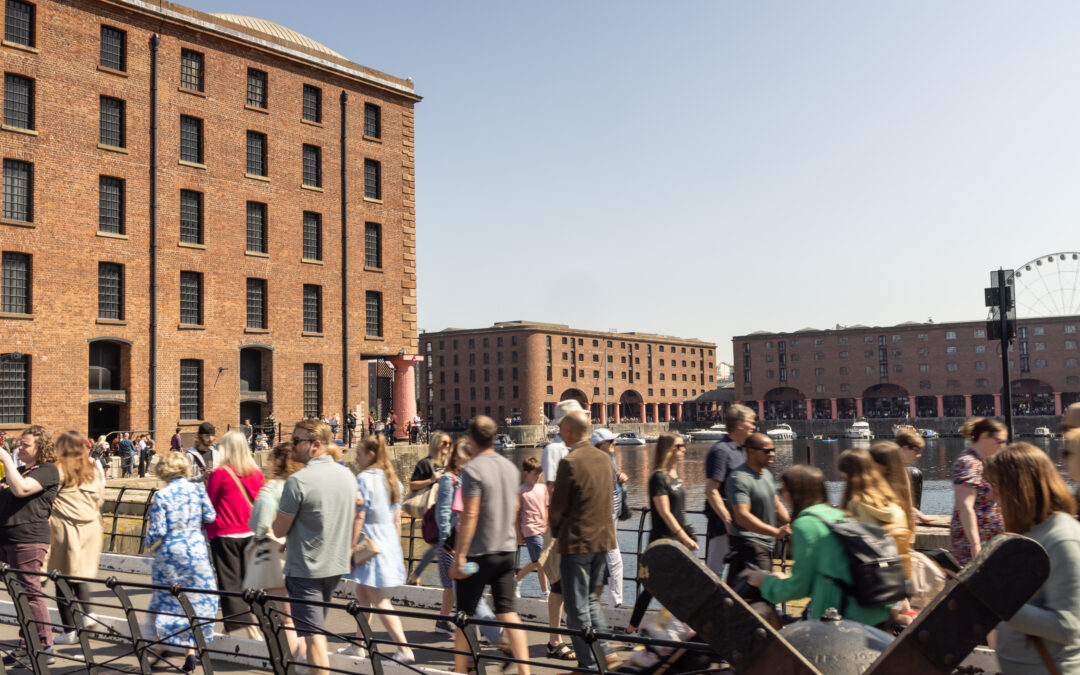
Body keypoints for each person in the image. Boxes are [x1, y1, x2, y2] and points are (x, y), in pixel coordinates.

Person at [748, 465, 892, 628]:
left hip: (841, 619)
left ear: (795, 493)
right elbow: (833, 571)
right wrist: (788, 578)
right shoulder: (836, 514)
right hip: (873, 611)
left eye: (782, 491)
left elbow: (799, 588)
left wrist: (764, 582)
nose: (781, 497)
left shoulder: (805, 524)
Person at [985, 443, 1080, 673]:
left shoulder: (1062, 540)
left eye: (996, 487)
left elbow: (1068, 627)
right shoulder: (1029, 532)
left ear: (1019, 489)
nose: (992, 496)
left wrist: (992, 600)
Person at [272, 419, 357, 674]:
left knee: (313, 636)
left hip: (306, 569)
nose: (292, 445)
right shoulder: (348, 476)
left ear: (315, 445)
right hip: (335, 566)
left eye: (296, 441)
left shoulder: (298, 481)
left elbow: (279, 529)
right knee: (316, 628)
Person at [449, 416, 531, 675]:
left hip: (478, 556)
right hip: (506, 552)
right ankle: (525, 671)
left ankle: (462, 669)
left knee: (464, 615)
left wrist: (460, 556)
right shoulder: (509, 467)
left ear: (471, 439)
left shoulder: (472, 470)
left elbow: (470, 514)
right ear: (494, 437)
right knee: (507, 611)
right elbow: (517, 507)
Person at [548, 406, 619, 671]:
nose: (559, 434)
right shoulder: (604, 458)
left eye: (560, 430)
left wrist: (555, 531)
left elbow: (558, 506)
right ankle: (606, 651)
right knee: (591, 601)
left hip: (577, 541)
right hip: (603, 539)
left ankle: (588, 664)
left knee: (577, 609)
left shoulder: (570, 461)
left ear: (568, 431)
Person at [341, 435, 414, 663]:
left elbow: (359, 516)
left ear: (371, 455)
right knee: (364, 593)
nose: (356, 456)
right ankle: (359, 644)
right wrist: (397, 548)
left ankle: (403, 648)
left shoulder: (363, 479)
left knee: (378, 597)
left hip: (369, 541)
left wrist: (351, 548)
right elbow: (396, 520)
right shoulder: (393, 481)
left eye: (359, 452)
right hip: (387, 541)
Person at [144, 451, 218, 673]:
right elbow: (211, 516)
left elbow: (157, 531)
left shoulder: (162, 495)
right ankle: (190, 652)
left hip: (170, 554)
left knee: (162, 600)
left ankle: (160, 646)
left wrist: (148, 543)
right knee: (194, 601)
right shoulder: (197, 490)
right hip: (196, 552)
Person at [0, 426, 60, 665]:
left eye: (25, 444)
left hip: (28, 538)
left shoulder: (47, 471)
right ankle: (27, 642)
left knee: (30, 591)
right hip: (7, 538)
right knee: (18, 594)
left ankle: (44, 645)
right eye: (19, 444)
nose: (19, 448)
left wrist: (5, 458)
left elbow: (22, 489)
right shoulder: (22, 470)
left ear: (40, 448)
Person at [627, 433, 696, 633]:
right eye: (679, 446)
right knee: (651, 589)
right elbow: (664, 512)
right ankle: (632, 631)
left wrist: (686, 536)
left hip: (678, 541)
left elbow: (678, 510)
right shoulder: (658, 478)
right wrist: (683, 536)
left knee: (673, 586)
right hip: (662, 541)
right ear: (668, 449)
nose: (684, 449)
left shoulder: (675, 476)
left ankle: (677, 628)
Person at [248, 442, 306, 662]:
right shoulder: (302, 485)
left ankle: (294, 662)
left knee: (285, 619)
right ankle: (305, 658)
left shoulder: (271, 489)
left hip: (277, 555)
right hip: (302, 556)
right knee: (302, 618)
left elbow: (259, 525)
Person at [205, 430, 265, 639]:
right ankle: (229, 628)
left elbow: (209, 503)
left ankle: (250, 629)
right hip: (250, 532)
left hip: (225, 533)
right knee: (249, 581)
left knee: (230, 583)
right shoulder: (257, 473)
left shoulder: (220, 474)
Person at [48, 431, 105, 645]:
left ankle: (69, 629)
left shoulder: (59, 469)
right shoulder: (93, 470)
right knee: (79, 575)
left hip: (65, 526)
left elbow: (47, 496)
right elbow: (100, 498)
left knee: (61, 578)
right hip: (89, 529)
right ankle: (89, 613)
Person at [726, 433, 790, 581]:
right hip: (749, 546)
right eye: (767, 451)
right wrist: (775, 531)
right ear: (751, 451)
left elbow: (776, 505)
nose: (772, 454)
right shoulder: (739, 478)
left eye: (773, 450)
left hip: (766, 545)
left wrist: (791, 524)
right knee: (759, 596)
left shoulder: (766, 474)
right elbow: (742, 517)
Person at [703, 404, 755, 577]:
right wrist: (727, 519)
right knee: (715, 571)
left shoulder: (742, 451)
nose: (754, 426)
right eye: (751, 422)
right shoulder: (721, 451)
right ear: (739, 424)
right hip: (724, 525)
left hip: (742, 522)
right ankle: (707, 604)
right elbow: (711, 490)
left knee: (744, 568)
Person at [951, 417, 1007, 566]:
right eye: (999, 441)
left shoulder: (982, 462)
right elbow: (965, 505)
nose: (1002, 446)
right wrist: (975, 545)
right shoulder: (968, 463)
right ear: (984, 437)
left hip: (989, 541)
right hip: (975, 544)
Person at [405, 431, 451, 585]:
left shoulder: (449, 464)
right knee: (441, 545)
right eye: (444, 443)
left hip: (448, 511)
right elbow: (412, 485)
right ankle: (448, 580)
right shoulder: (426, 463)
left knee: (440, 546)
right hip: (432, 511)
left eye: (449, 443)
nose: (447, 446)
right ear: (436, 444)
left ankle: (416, 575)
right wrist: (431, 480)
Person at [590, 427, 626, 608]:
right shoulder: (597, 463)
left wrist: (619, 478)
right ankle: (616, 603)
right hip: (604, 515)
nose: (614, 443)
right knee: (615, 560)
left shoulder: (609, 459)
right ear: (600, 445)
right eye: (610, 441)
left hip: (612, 513)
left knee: (605, 559)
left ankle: (605, 601)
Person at [514, 456, 549, 598]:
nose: (538, 476)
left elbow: (546, 509)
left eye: (539, 473)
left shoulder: (543, 488)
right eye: (535, 473)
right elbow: (516, 515)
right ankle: (545, 591)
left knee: (539, 561)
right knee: (541, 561)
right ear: (526, 472)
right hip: (530, 529)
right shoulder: (521, 491)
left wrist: (546, 526)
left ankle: (516, 579)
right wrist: (518, 534)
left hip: (542, 529)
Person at [893, 427, 932, 524]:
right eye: (916, 451)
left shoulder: (897, 467)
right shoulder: (889, 468)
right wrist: (919, 514)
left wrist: (918, 514)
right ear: (905, 448)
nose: (918, 455)